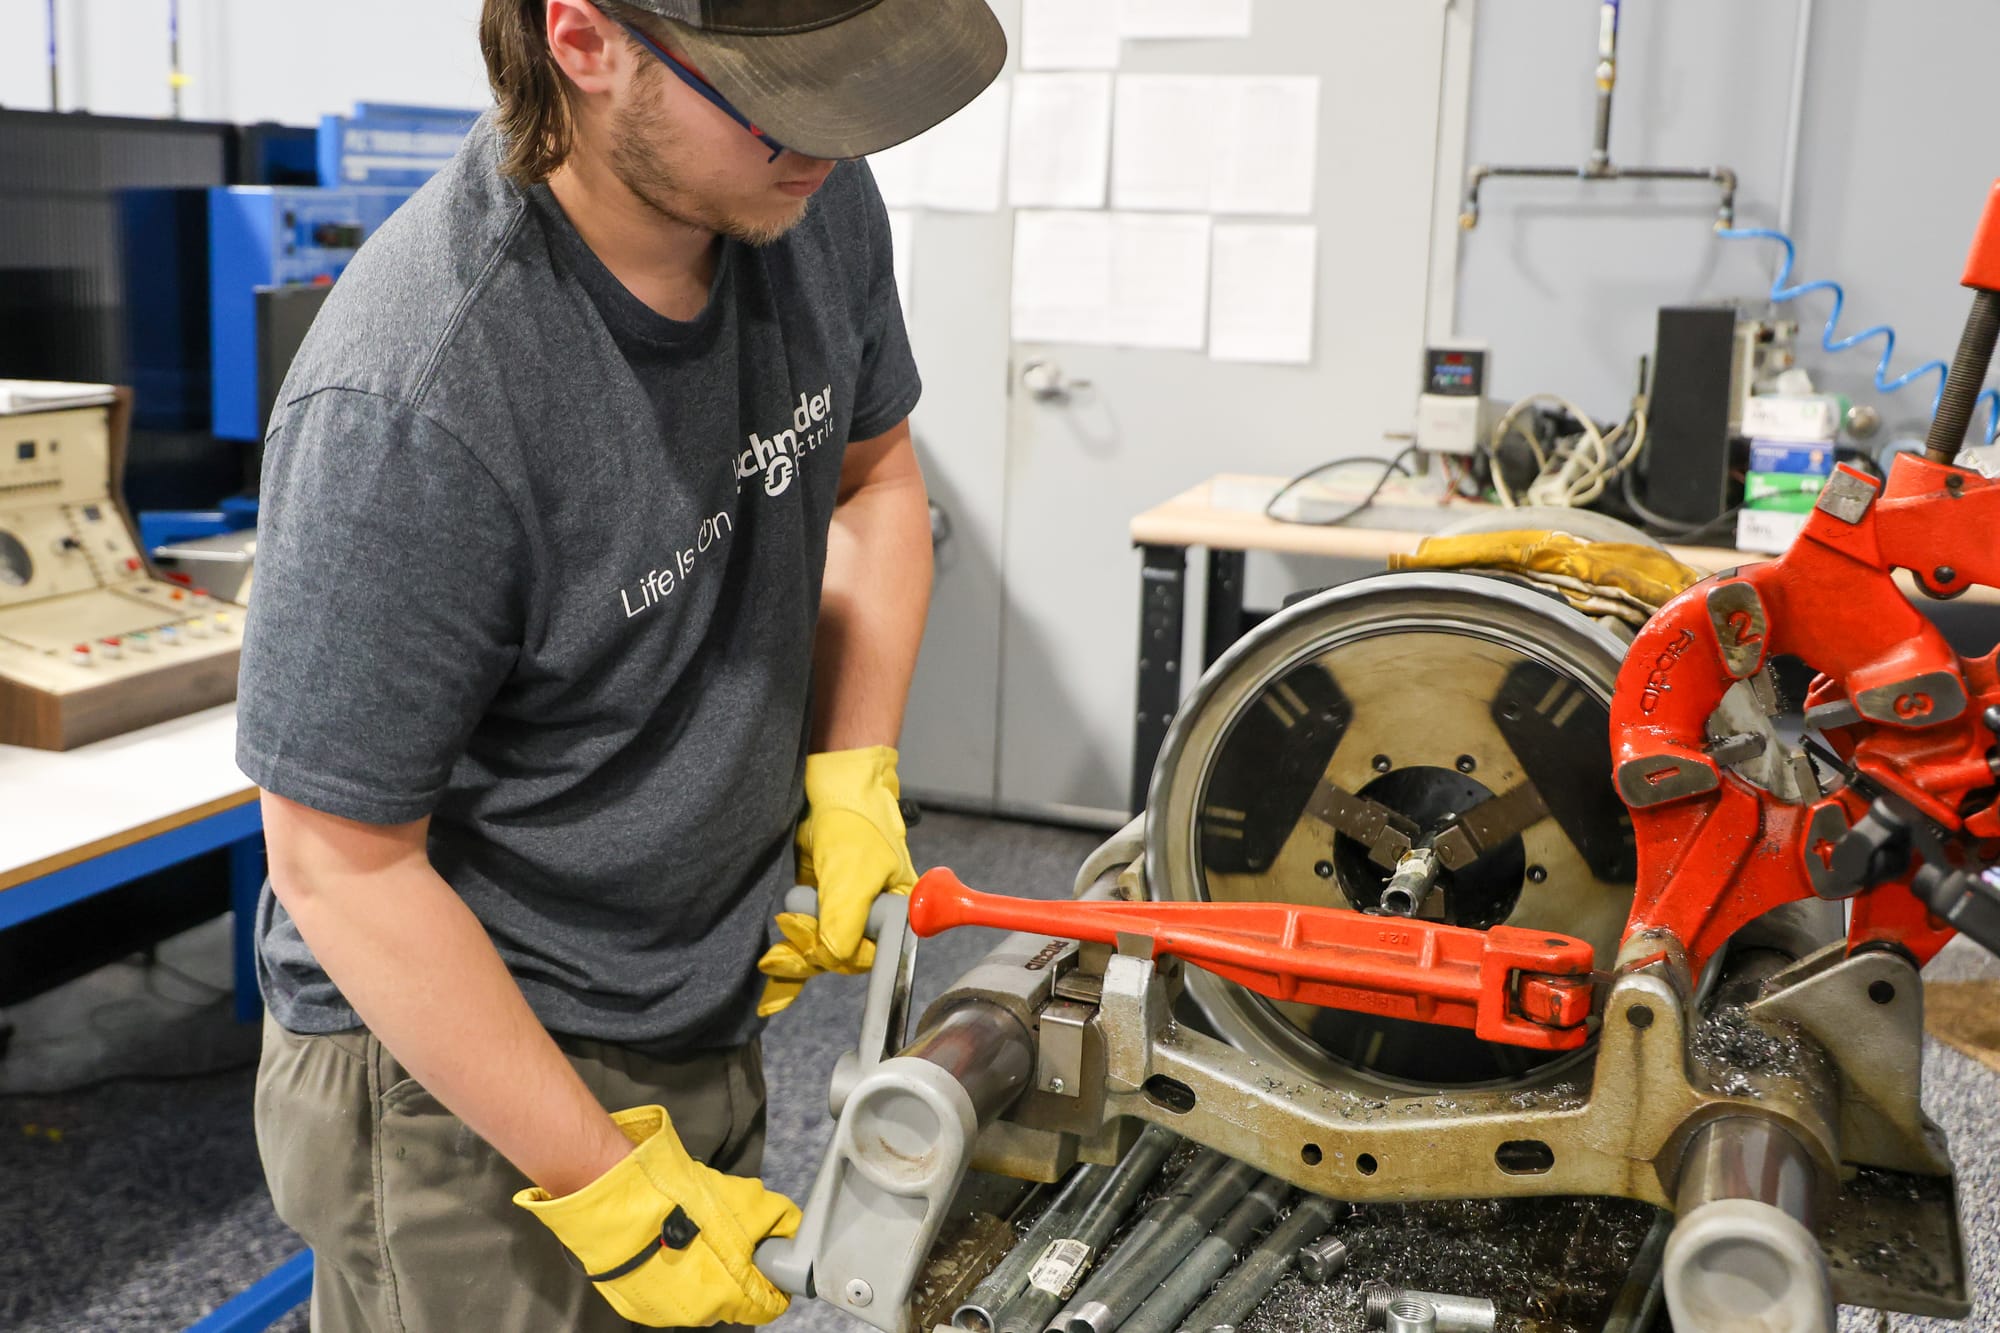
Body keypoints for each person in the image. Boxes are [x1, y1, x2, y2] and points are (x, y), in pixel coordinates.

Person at [235, 0, 1005, 1327]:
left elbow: (877, 483)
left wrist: (852, 763)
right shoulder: (415, 398)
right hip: (459, 1069)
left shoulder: (795, 193)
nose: (824, 146)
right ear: (583, 42)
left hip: (695, 982)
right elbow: (337, 862)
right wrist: (606, 1182)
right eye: (781, 101)